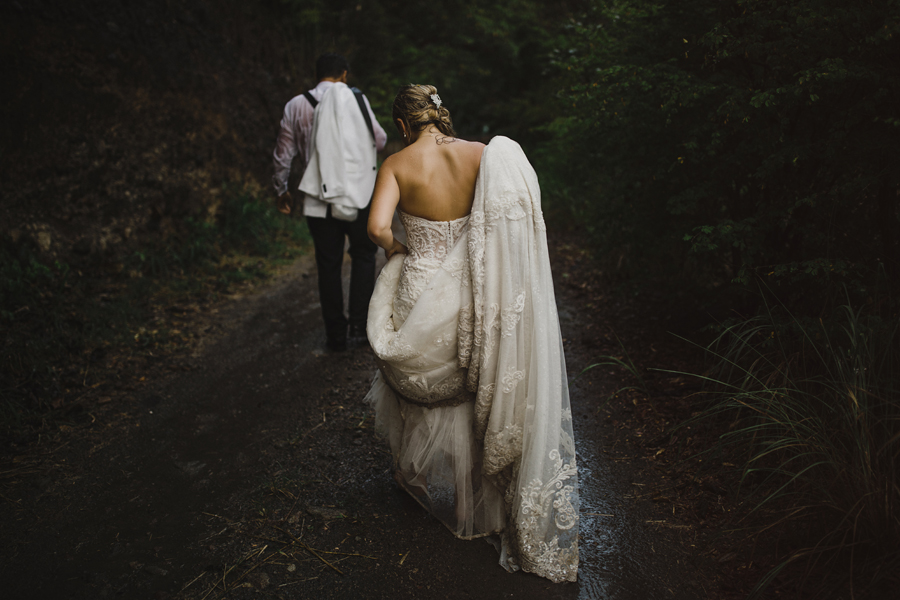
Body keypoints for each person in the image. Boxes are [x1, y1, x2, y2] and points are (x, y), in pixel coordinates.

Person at [365, 85, 579, 583]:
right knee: (472, 381)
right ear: (439, 115)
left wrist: (397, 248)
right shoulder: (483, 156)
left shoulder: (396, 165)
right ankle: (470, 499)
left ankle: (413, 476)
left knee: (415, 381)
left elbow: (377, 227)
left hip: (419, 291)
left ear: (401, 125)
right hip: (472, 292)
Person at [273, 53, 387, 351]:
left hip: (318, 198)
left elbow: (283, 154)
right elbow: (380, 140)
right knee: (363, 256)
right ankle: (360, 329)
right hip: (358, 194)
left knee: (328, 264)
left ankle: (335, 335)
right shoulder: (357, 100)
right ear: (345, 75)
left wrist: (281, 189)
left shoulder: (296, 105)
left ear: (317, 74)